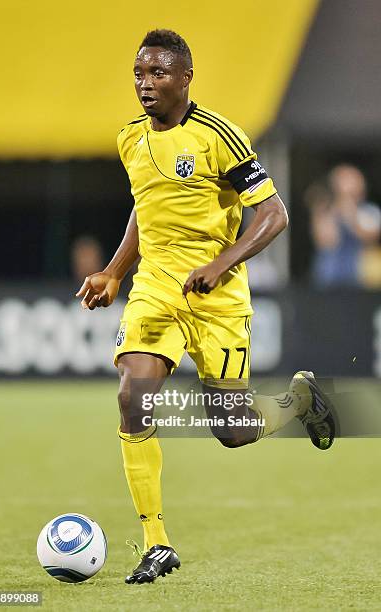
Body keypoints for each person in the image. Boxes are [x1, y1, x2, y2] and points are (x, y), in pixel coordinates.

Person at [76, 29, 335, 584]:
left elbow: (274, 215)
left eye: (159, 74)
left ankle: (300, 400)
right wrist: (115, 272)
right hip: (157, 287)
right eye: (140, 74)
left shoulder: (220, 136)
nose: (146, 85)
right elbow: (145, 210)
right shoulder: (130, 139)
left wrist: (222, 263)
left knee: (233, 430)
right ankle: (157, 543)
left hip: (217, 297)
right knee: (132, 395)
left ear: (186, 78)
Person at [308, 165, 381, 287]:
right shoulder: (326, 211)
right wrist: (323, 210)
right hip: (327, 279)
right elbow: (326, 241)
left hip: (361, 280)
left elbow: (369, 237)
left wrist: (348, 209)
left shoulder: (370, 211)